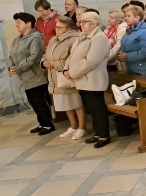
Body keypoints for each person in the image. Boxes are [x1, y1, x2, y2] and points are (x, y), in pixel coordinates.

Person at [64, 12, 111, 148]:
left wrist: (72, 73)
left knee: (97, 109)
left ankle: (104, 135)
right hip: (82, 79)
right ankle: (97, 133)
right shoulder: (81, 36)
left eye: (84, 22)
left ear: (94, 24)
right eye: (81, 21)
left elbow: (91, 61)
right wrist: (67, 70)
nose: (81, 24)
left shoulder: (99, 38)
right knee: (90, 108)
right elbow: (72, 55)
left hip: (93, 79)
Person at [10, 13, 55, 135]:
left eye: (19, 22)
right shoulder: (17, 40)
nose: (16, 25)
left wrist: (18, 67)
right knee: (32, 100)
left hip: (36, 75)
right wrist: (12, 67)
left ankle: (48, 124)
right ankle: (42, 123)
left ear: (28, 24)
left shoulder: (35, 38)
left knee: (39, 100)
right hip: (24, 76)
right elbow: (11, 54)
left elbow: (34, 57)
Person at [41, 16, 85, 140]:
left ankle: (81, 127)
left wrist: (57, 64)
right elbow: (46, 54)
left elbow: (74, 59)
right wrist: (44, 62)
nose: (57, 29)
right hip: (54, 76)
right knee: (65, 103)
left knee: (76, 103)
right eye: (56, 27)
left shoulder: (74, 39)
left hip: (66, 76)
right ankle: (73, 126)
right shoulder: (53, 40)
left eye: (60, 27)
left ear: (69, 29)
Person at [118, 5, 146, 76]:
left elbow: (145, 51)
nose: (125, 18)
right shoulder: (129, 30)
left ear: (137, 18)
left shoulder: (145, 32)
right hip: (131, 68)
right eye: (125, 16)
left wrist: (127, 56)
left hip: (143, 70)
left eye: (128, 16)